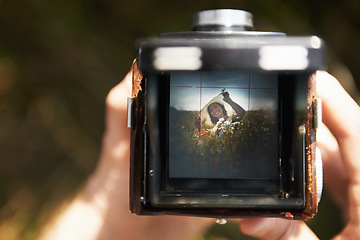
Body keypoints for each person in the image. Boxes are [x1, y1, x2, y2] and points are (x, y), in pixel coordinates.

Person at [38, 70, 360, 240]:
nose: (219, 112)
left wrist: (229, 101)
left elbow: (242, 114)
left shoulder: (232, 120)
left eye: (220, 109)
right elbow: (196, 134)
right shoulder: (203, 128)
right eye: (215, 109)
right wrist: (101, 219)